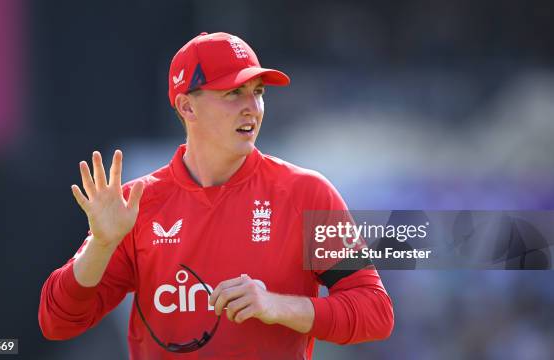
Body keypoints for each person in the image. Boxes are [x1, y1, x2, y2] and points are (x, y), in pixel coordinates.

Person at [39, 32, 394, 359]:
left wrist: (275, 306)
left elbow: (375, 311)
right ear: (186, 107)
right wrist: (101, 245)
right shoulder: (135, 205)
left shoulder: (307, 192)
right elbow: (58, 322)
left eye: (258, 92)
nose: (252, 107)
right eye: (232, 93)